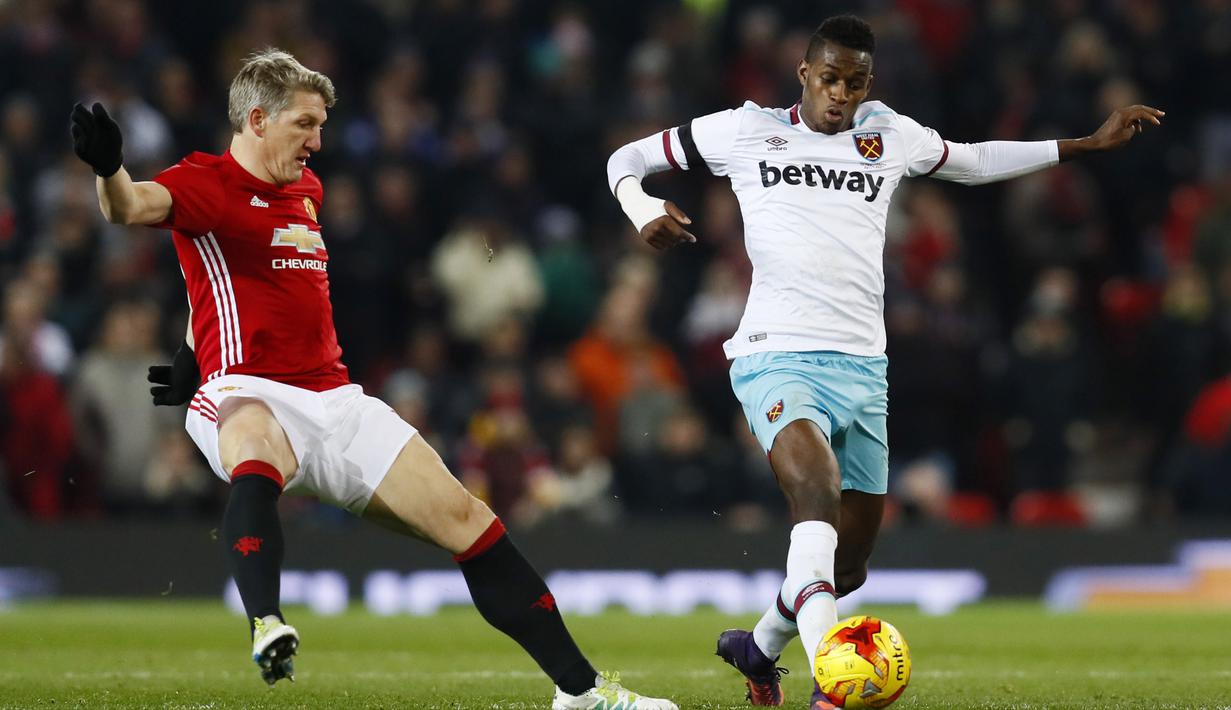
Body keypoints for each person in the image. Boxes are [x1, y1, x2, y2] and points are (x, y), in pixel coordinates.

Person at [71, 48, 675, 710]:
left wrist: (190, 345)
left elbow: (227, 280)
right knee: (256, 447)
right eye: (304, 124)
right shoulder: (203, 181)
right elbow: (129, 208)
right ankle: (266, 620)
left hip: (335, 398)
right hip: (245, 388)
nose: (317, 141)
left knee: (466, 520)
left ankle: (581, 692)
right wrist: (108, 169)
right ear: (257, 118)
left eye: (321, 124)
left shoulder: (307, 189)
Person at [606, 15, 1162, 709]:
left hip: (864, 368)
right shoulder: (744, 130)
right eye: (830, 78)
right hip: (775, 354)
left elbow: (973, 159)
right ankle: (831, 688)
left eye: (855, 81)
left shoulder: (887, 134)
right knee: (815, 492)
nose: (840, 93)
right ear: (804, 74)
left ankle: (759, 646)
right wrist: (638, 207)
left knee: (848, 566)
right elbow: (623, 160)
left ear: (869, 82)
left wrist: (1083, 144)